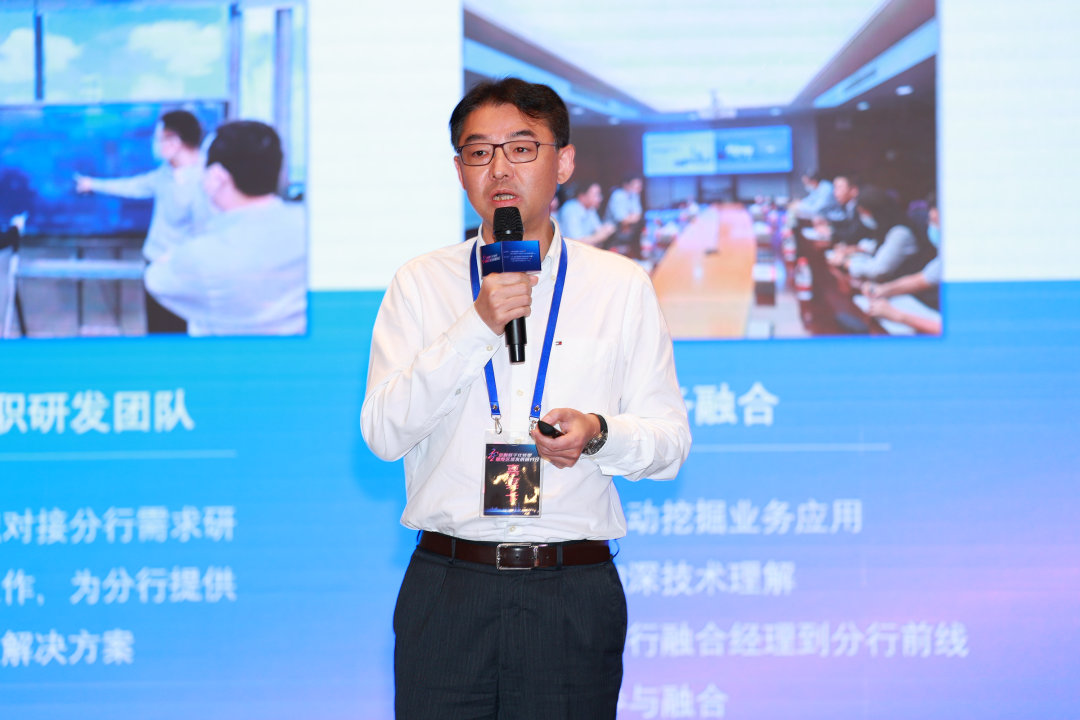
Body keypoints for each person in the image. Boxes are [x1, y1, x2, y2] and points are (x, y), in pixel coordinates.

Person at [361, 77, 691, 720]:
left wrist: (598, 434)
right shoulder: (421, 284)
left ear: (563, 162)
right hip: (448, 586)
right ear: (459, 169)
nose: (499, 169)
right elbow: (382, 433)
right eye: (478, 152)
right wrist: (477, 325)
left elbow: (670, 444)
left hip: (571, 590)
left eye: (521, 148)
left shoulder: (619, 285)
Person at [144, 121, 306, 337]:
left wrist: (170, 256)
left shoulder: (201, 256)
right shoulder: (310, 230)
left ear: (216, 177)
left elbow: (156, 280)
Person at [75, 110, 211, 334]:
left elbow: (206, 232)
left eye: (159, 139)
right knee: (156, 330)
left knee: (177, 333)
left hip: (181, 270)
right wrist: (93, 184)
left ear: (174, 141)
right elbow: (135, 186)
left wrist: (177, 257)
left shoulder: (206, 179)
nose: (155, 145)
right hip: (154, 262)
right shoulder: (166, 173)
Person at [830, 185, 936, 282]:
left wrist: (846, 263)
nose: (863, 217)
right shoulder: (886, 226)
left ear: (876, 212)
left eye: (864, 213)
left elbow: (877, 271)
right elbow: (879, 245)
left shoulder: (900, 234)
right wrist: (855, 249)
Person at [558, 179, 616, 247]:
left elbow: (598, 229)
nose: (600, 198)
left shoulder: (590, 209)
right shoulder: (570, 210)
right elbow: (575, 243)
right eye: (596, 195)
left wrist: (606, 229)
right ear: (582, 196)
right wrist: (598, 237)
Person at [604, 172, 645, 258]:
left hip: (628, 226)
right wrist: (629, 219)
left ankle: (636, 256)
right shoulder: (617, 195)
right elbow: (621, 220)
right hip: (613, 228)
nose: (639, 187)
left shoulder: (634, 194)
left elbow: (638, 214)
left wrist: (628, 220)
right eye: (636, 184)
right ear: (626, 185)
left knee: (642, 224)